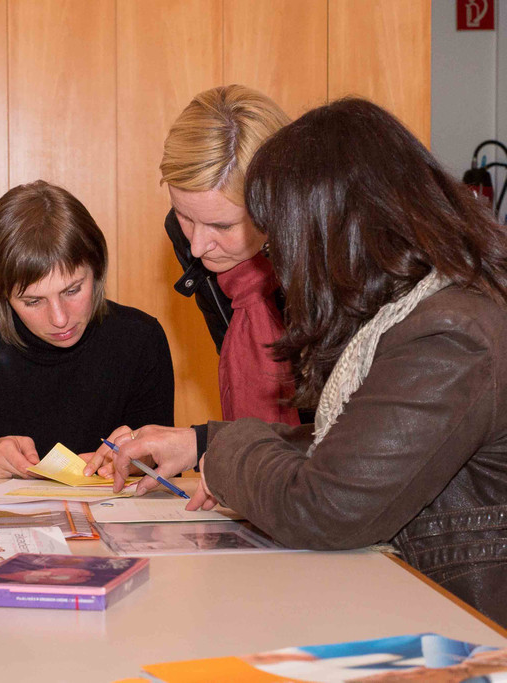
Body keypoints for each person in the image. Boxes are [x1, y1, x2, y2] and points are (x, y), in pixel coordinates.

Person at [108, 99, 507, 626]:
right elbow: (360, 446)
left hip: (463, 623)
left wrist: (223, 455)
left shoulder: (448, 332)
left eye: (283, 237)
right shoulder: (425, 308)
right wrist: (208, 442)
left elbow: (329, 504)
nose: (280, 257)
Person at [0, 180, 174, 479]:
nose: (60, 319)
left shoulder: (139, 339)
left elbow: (165, 473)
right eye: (33, 301)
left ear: (97, 269)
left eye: (72, 290)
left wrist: (141, 462)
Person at [160, 84, 301, 427]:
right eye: (184, 215)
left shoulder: (331, 252)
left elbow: (355, 418)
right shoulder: (192, 239)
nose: (197, 247)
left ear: (275, 206)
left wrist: (201, 443)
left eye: (222, 226)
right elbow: (237, 356)